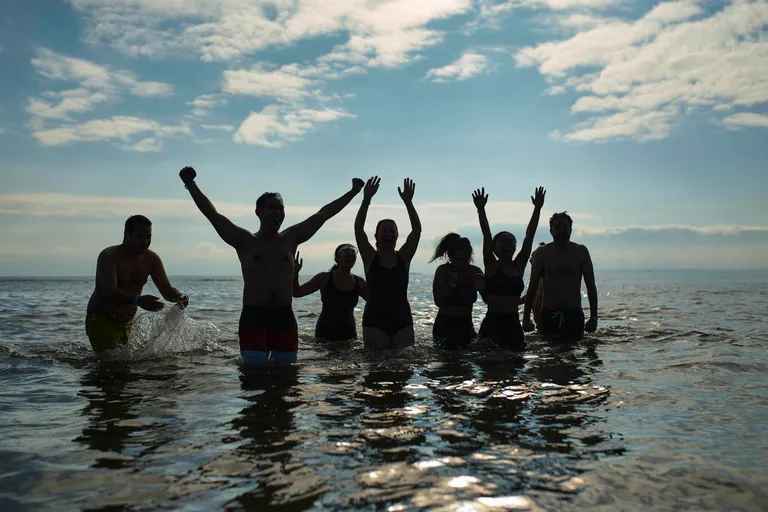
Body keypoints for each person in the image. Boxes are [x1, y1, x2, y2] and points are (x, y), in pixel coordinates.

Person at [179, 166, 364, 365]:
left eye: (281, 208)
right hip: (254, 316)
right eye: (272, 208)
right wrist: (190, 184)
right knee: (254, 376)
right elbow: (211, 213)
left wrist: (353, 192)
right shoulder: (244, 240)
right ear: (258, 212)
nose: (278, 212)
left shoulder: (291, 238)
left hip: (284, 316)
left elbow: (324, 214)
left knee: (286, 377)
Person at [85, 215, 188, 353]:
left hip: (127, 322)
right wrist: (137, 300)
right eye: (140, 237)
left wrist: (180, 297)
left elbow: (167, 290)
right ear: (127, 235)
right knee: (112, 368)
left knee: (128, 368)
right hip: (101, 319)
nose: (145, 242)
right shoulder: (109, 256)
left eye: (149, 237)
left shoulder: (152, 259)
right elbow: (108, 290)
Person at [472, 186, 546, 349]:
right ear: (494, 247)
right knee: (489, 370)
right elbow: (486, 235)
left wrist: (537, 209)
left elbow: (529, 236)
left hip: (513, 324)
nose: (509, 244)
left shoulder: (518, 265)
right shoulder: (491, 265)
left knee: (514, 370)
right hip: (493, 323)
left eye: (512, 241)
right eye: (504, 241)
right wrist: (481, 210)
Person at [354, 176, 422, 350]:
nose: (389, 233)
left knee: (402, 368)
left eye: (392, 231)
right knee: (376, 368)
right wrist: (366, 200)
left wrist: (408, 203)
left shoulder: (404, 257)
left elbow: (416, 230)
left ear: (397, 235)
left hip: (402, 319)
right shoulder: (370, 257)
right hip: (375, 319)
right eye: (384, 231)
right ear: (376, 236)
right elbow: (358, 229)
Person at [522, 212, 598, 341]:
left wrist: (594, 317)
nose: (561, 230)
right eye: (557, 227)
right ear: (551, 230)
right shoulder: (542, 253)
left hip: (573, 313)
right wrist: (526, 317)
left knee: (574, 357)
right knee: (550, 357)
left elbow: (590, 286)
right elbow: (533, 286)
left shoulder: (580, 251)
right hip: (549, 313)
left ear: (570, 229)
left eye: (565, 226)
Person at [292, 244, 369, 342]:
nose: (350, 253)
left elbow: (375, 303)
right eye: (345, 251)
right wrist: (295, 274)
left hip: (348, 335)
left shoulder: (359, 282)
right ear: (337, 259)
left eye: (353, 252)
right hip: (324, 334)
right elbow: (297, 293)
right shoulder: (324, 278)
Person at [430, 233, 484, 349]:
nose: (460, 263)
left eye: (464, 259)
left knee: (467, 362)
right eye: (457, 259)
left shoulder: (475, 272)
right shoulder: (443, 271)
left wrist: (481, 287)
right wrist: (452, 283)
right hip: (445, 324)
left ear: (469, 256)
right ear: (450, 257)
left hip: (466, 323)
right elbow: (438, 301)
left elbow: (488, 299)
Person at [520, 242, 547, 330]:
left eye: (533, 258)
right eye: (531, 258)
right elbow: (530, 296)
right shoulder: (538, 279)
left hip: (547, 323)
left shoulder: (548, 279)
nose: (530, 261)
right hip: (540, 324)